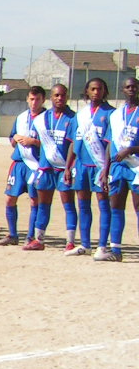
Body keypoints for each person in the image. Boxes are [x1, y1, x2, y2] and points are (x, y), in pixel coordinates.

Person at [23, 83, 77, 251]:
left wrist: (69, 167)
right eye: (56, 95)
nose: (60, 98)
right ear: (51, 97)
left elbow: (73, 144)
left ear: (67, 96)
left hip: (64, 168)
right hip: (46, 167)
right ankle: (39, 240)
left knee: (68, 204)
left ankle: (70, 242)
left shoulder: (72, 118)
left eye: (63, 95)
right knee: (43, 204)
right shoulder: (42, 119)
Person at [0, 85, 47, 247]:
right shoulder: (21, 117)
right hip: (19, 163)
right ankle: (12, 234)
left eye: (37, 99)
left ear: (43, 100)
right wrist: (16, 139)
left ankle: (31, 236)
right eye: (31, 99)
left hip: (36, 165)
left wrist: (34, 142)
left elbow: (52, 144)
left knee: (34, 201)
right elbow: (12, 139)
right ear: (27, 99)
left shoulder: (47, 118)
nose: (34, 102)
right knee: (9, 199)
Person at [73, 78, 113, 259]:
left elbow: (110, 144)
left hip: (100, 166)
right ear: (87, 91)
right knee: (83, 205)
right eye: (93, 89)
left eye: (100, 89)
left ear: (105, 91)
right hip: (82, 165)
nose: (96, 92)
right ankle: (85, 244)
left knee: (103, 205)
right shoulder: (81, 115)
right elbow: (74, 142)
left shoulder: (111, 114)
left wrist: (106, 169)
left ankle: (102, 246)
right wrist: (69, 167)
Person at [100, 76, 139, 262]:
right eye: (128, 87)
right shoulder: (115, 115)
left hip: (136, 167)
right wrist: (105, 170)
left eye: (134, 86)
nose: (131, 89)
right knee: (116, 206)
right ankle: (115, 250)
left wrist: (131, 149)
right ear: (123, 90)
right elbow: (109, 144)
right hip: (117, 167)